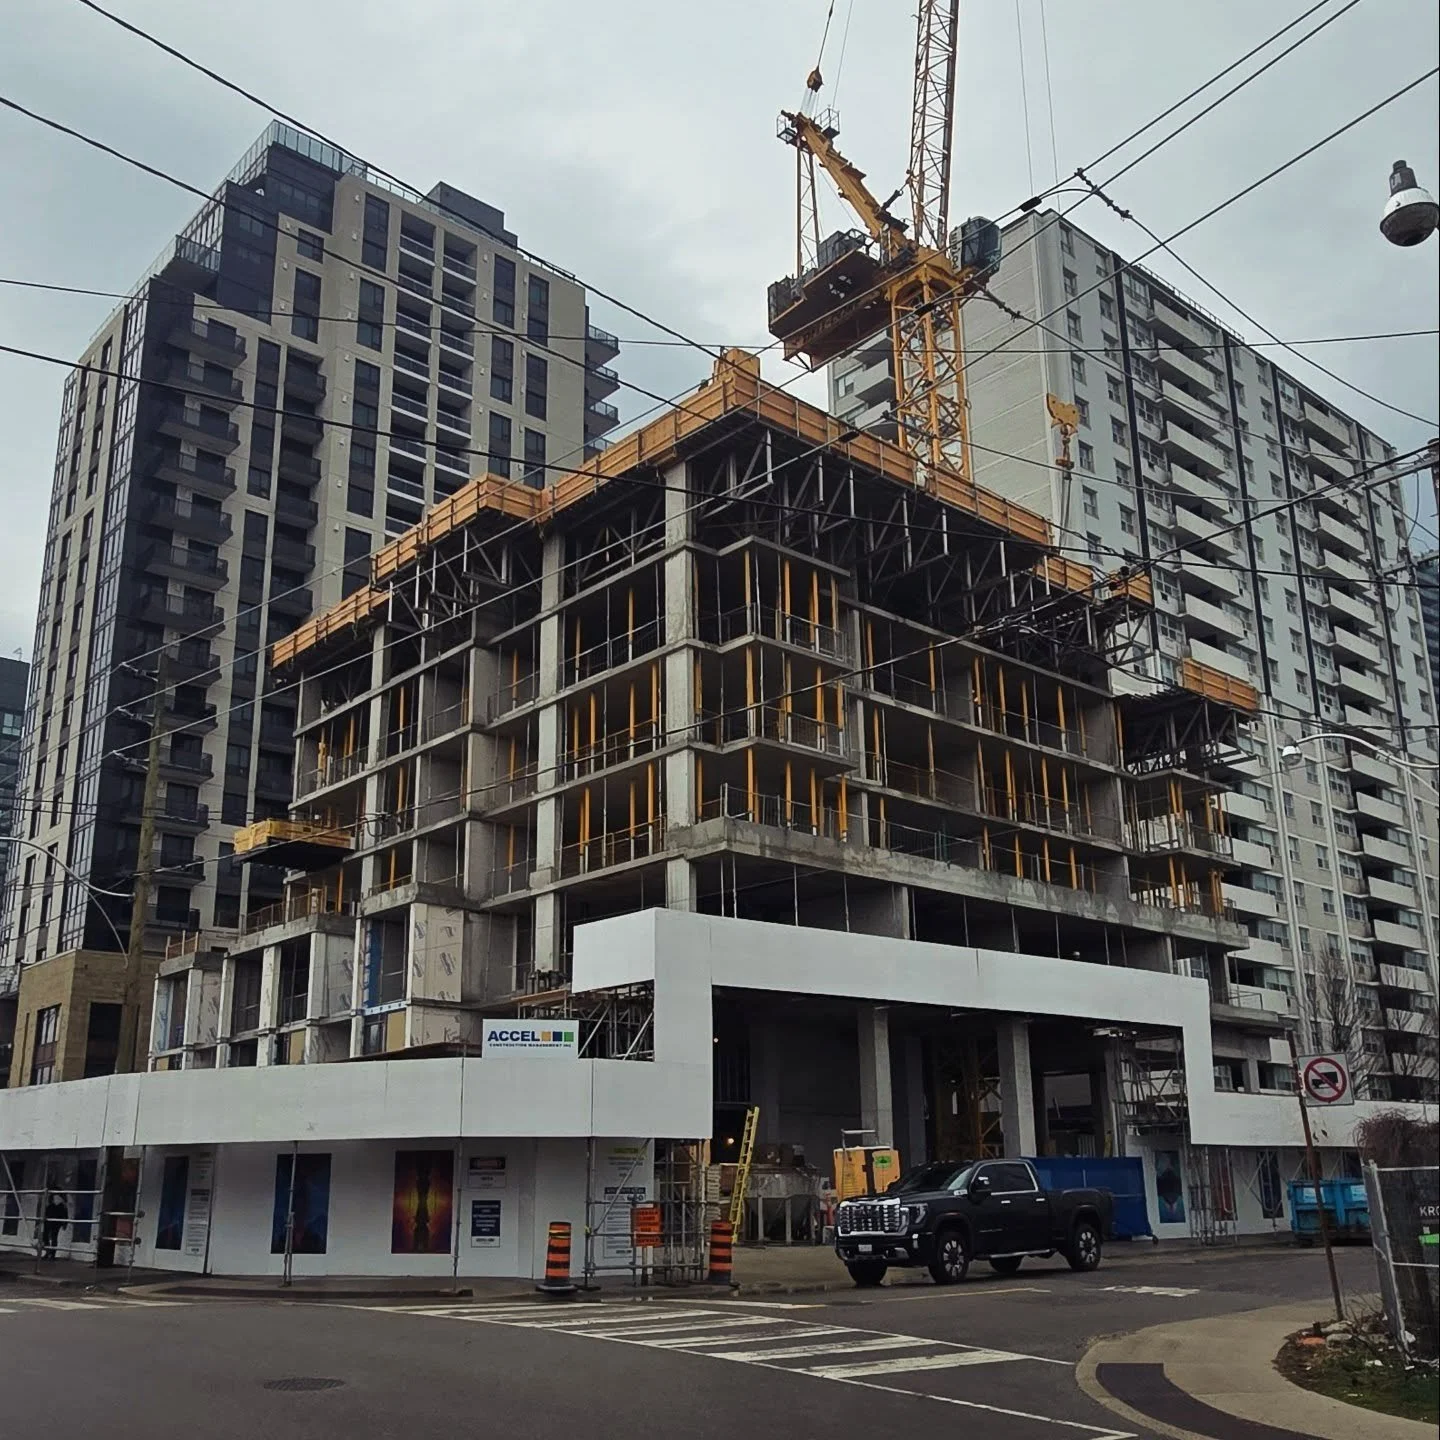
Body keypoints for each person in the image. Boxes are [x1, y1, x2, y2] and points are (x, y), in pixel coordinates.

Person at [41, 1193, 68, 1261]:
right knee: (45, 1236)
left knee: (54, 1237)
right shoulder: (50, 1205)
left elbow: (65, 1215)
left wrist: (65, 1224)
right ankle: (48, 1252)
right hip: (48, 1222)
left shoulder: (61, 1206)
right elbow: (46, 1213)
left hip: (56, 1223)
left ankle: (52, 1254)